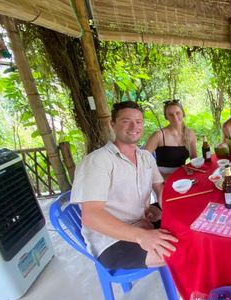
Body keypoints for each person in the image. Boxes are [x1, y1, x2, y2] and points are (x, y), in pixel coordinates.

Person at [71, 101, 178, 270]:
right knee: (185, 249)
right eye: (126, 121)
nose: (134, 126)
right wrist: (142, 236)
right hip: (112, 241)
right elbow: (91, 216)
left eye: (139, 121)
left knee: (193, 228)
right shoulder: (97, 161)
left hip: (142, 221)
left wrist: (168, 215)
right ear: (113, 124)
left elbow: (159, 187)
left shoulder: (145, 157)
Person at [144, 100, 197, 180]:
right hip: (161, 177)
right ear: (166, 117)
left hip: (181, 175)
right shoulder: (159, 135)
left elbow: (194, 159)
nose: (175, 117)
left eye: (178, 113)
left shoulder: (190, 133)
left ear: (183, 114)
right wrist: (163, 176)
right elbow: (143, 161)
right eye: (170, 115)